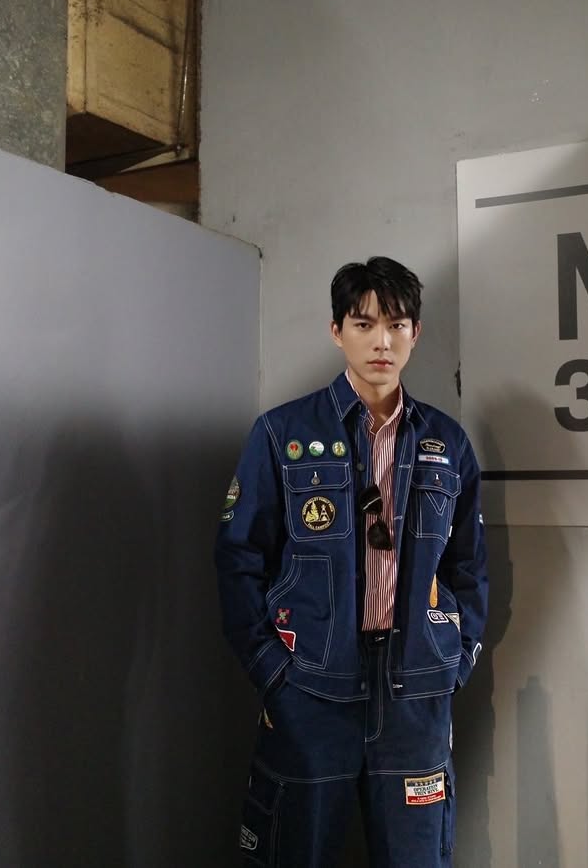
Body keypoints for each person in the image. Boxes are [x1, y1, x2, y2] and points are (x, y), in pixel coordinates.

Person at [215, 256, 488, 867]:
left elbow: (469, 565)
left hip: (415, 695)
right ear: (336, 331)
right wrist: (271, 670)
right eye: (364, 324)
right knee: (294, 854)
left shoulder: (448, 443)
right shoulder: (282, 433)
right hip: (310, 688)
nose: (381, 342)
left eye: (396, 325)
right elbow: (238, 557)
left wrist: (456, 658)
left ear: (416, 333)